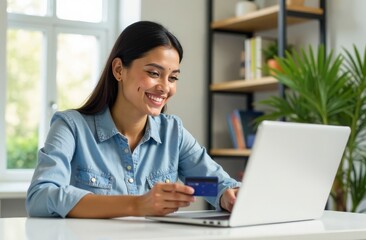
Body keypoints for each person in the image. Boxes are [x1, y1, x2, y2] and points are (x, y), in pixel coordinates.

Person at [26, 21, 240, 218]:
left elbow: (206, 184)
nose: (165, 87)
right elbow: (41, 197)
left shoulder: (172, 133)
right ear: (119, 70)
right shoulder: (71, 127)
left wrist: (227, 195)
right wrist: (137, 205)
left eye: (173, 77)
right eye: (154, 73)